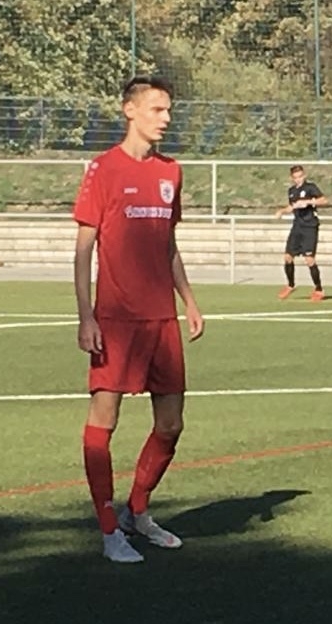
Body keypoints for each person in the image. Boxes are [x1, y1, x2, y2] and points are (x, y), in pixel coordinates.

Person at [73, 75, 204, 563]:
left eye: (168, 110)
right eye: (157, 109)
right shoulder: (103, 169)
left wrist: (188, 300)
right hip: (116, 320)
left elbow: (168, 244)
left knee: (170, 424)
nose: (165, 118)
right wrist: (86, 316)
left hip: (161, 320)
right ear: (130, 110)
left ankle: (137, 511)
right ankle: (109, 530)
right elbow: (83, 249)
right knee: (104, 419)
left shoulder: (171, 172)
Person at [275, 165, 328, 301]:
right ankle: (290, 285)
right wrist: (282, 211)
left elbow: (324, 200)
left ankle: (319, 289)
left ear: (304, 176)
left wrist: (309, 202)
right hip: (297, 226)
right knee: (288, 256)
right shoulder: (292, 191)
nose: (298, 179)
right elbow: (292, 207)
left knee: (309, 259)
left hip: (310, 226)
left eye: (300, 176)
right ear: (292, 178)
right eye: (296, 177)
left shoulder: (310, 187)